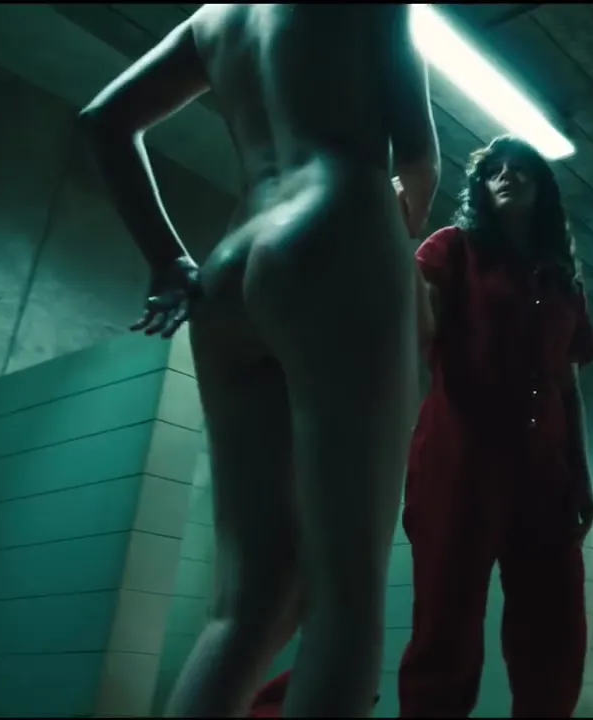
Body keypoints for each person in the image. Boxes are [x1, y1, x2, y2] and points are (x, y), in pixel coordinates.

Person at [77, 4, 440, 716]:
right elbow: (418, 160)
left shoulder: (216, 17)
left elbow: (103, 121)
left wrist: (165, 259)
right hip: (336, 221)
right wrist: (385, 255)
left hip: (228, 265)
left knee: (251, 600)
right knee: (347, 601)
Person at [397, 135, 593, 718]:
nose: (508, 175)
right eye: (496, 170)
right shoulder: (451, 248)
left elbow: (568, 387)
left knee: (556, 634)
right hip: (459, 465)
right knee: (446, 630)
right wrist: (394, 241)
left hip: (546, 474)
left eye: (523, 170)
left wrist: (583, 480)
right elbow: (417, 326)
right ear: (481, 187)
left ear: (543, 191)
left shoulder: (561, 281)